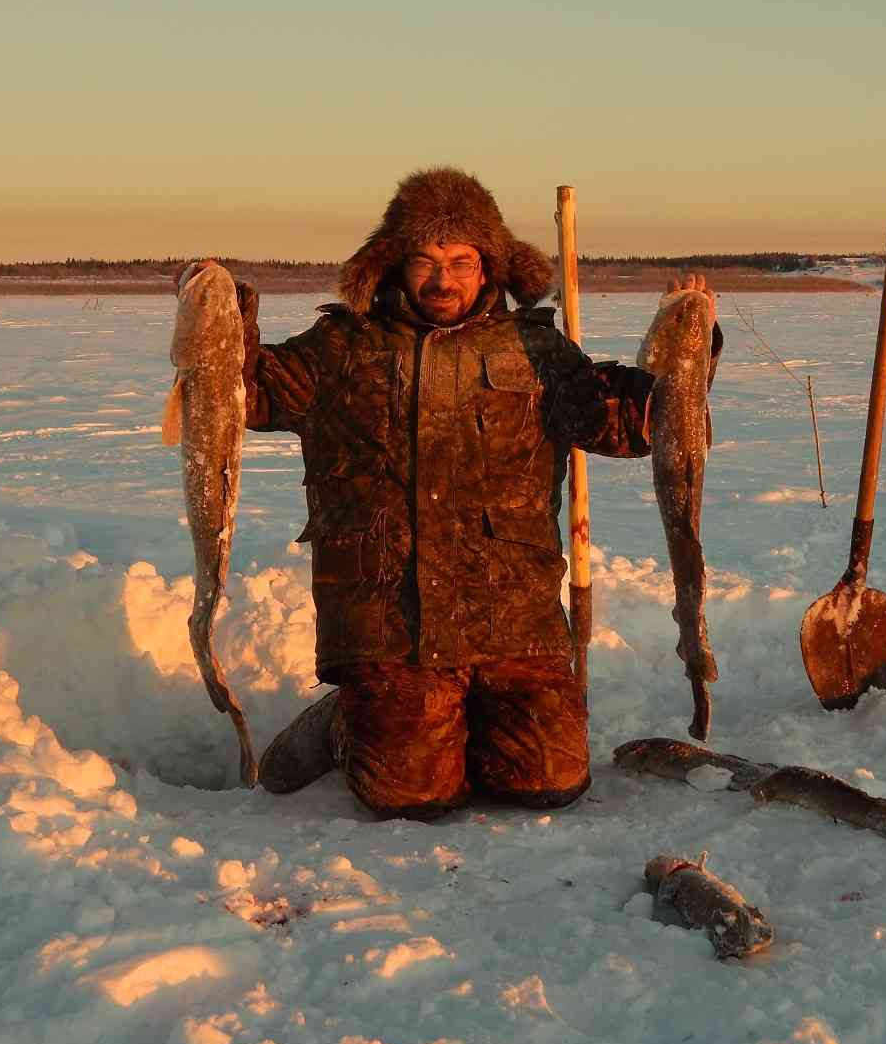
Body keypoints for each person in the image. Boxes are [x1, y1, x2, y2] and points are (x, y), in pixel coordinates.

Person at [179, 167, 720, 818]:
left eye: (462, 261)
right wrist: (220, 315)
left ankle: (464, 718)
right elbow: (249, 396)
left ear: (489, 265)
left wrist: (689, 348)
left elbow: (627, 426)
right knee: (410, 796)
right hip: (389, 622)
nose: (444, 280)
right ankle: (350, 720)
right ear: (393, 263)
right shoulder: (341, 348)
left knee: (545, 783)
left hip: (514, 617)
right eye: (425, 260)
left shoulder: (536, 347)